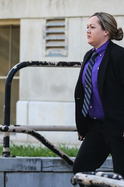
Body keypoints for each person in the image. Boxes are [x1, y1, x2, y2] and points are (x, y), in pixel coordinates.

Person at [73, 12, 124, 185]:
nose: (87, 30)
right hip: (96, 127)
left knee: (122, 176)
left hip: (118, 127)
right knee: (80, 169)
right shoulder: (89, 55)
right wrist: (82, 123)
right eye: (87, 27)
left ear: (106, 32)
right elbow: (82, 92)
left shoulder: (119, 56)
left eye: (92, 27)